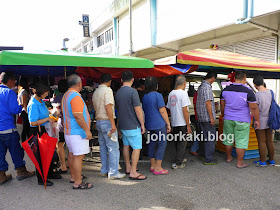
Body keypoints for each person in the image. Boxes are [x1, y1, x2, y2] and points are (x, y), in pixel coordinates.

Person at [0, 72, 35, 185]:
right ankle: (21, 171)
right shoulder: (9, 92)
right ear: (10, 80)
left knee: (0, 152)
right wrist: (21, 107)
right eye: (14, 80)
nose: (15, 83)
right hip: (8, 128)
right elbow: (14, 110)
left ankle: (1, 175)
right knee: (16, 151)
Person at [220, 71, 260, 168]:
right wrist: (257, 120)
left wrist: (223, 115)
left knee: (228, 138)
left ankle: (229, 158)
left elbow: (222, 105)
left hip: (228, 118)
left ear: (235, 78)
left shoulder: (225, 90)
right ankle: (239, 163)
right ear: (244, 79)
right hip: (242, 119)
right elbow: (253, 108)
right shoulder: (248, 91)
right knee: (241, 141)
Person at [62, 74, 93, 189]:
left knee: (72, 155)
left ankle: (74, 176)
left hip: (70, 131)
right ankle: (78, 182)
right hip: (77, 133)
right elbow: (78, 116)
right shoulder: (75, 96)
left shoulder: (66, 95)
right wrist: (87, 130)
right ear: (79, 84)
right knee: (78, 157)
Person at [92, 73, 126, 179]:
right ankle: (113, 172)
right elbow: (108, 107)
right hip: (107, 122)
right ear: (109, 81)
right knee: (113, 148)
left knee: (102, 147)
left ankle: (104, 170)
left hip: (98, 121)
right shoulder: (108, 90)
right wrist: (113, 124)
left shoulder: (96, 92)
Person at [28, 82, 61, 186]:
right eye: (45, 93)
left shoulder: (40, 101)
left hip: (44, 129)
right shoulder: (33, 104)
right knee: (40, 156)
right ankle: (41, 178)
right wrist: (47, 118)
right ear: (39, 92)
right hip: (37, 131)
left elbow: (45, 113)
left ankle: (50, 173)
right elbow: (32, 122)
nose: (47, 95)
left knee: (48, 153)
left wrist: (52, 112)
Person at [115, 71, 146, 180]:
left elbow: (118, 109)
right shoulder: (133, 92)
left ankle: (128, 167)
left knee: (126, 146)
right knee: (137, 147)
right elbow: (138, 110)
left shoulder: (118, 93)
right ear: (132, 80)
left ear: (121, 80)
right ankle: (133, 172)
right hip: (133, 125)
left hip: (122, 125)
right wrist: (142, 124)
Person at [142, 76, 171, 175]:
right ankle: (158, 168)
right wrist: (168, 124)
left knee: (152, 143)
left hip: (149, 124)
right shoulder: (158, 95)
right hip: (159, 124)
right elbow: (162, 111)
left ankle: (152, 165)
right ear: (156, 86)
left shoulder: (145, 96)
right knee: (162, 144)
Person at [166, 75, 192, 169]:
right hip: (182, 123)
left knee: (177, 142)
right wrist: (188, 125)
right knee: (182, 143)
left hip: (174, 122)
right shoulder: (183, 94)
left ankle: (179, 158)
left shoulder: (171, 93)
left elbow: (169, 108)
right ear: (184, 83)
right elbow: (185, 110)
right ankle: (178, 163)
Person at [196, 71, 218, 165]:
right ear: (212, 77)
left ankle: (202, 153)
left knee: (203, 136)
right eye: (214, 79)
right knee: (210, 137)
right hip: (207, 117)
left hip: (201, 116)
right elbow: (208, 102)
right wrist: (212, 117)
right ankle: (208, 158)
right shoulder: (207, 87)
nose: (214, 81)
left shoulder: (201, 86)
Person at [253, 75, 275, 167]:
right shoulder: (271, 92)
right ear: (263, 82)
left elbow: (255, 109)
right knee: (269, 141)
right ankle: (271, 160)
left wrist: (256, 120)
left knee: (261, 141)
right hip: (270, 119)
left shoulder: (256, 95)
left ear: (255, 84)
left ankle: (262, 161)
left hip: (260, 119)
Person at [52, 79, 69, 173]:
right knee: (71, 147)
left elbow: (55, 114)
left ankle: (63, 165)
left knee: (60, 145)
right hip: (71, 126)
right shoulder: (72, 97)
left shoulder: (57, 98)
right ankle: (72, 164)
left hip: (61, 126)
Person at [18, 77, 30, 142]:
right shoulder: (24, 92)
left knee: (25, 128)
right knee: (26, 128)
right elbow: (24, 103)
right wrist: (27, 112)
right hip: (25, 112)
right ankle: (25, 142)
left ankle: (25, 142)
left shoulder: (20, 91)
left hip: (22, 111)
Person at [190, 91, 199, 156]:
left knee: (199, 133)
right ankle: (194, 149)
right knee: (199, 134)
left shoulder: (196, 94)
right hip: (200, 117)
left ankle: (194, 148)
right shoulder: (197, 95)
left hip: (198, 117)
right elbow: (196, 106)